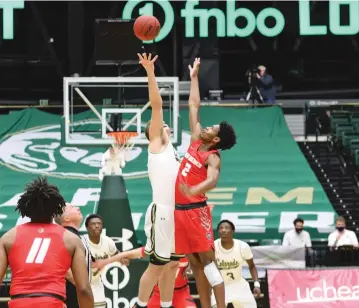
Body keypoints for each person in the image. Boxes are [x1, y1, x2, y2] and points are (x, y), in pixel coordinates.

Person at [175, 58, 237, 308]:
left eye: (212, 127)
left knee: (209, 263)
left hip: (195, 211)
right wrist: (193, 78)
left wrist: (193, 189)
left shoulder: (212, 156)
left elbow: (213, 180)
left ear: (216, 139)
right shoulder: (195, 141)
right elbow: (193, 105)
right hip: (180, 212)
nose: (207, 126)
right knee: (195, 264)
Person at [133, 53, 182, 308]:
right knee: (157, 264)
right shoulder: (156, 144)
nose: (164, 125)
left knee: (172, 265)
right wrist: (150, 72)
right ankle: (139, 305)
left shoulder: (173, 151)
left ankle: (165, 306)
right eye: (160, 125)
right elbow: (157, 104)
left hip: (179, 213)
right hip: (162, 212)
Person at [0, 177, 94, 308]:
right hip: (53, 302)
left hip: (19, 302)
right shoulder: (71, 239)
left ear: (26, 207)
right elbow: (84, 289)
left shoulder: (8, 237)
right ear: (56, 208)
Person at [93, 248, 196, 308]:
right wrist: (103, 262)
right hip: (158, 294)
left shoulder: (186, 247)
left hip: (180, 292)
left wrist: (191, 265)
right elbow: (128, 254)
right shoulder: (157, 246)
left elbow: (201, 261)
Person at [212, 220, 260, 308]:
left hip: (239, 285)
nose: (223, 230)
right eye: (221, 228)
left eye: (227, 228)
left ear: (233, 231)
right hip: (220, 286)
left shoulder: (242, 246)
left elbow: (252, 266)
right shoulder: (213, 247)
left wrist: (256, 284)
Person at [54, 202, 93, 308]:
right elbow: (62, 266)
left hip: (77, 295)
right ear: (66, 218)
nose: (78, 207)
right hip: (68, 296)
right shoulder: (65, 236)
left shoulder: (76, 236)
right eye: (72, 207)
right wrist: (82, 286)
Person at [83, 214, 119, 308]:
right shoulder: (81, 242)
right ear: (87, 227)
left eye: (99, 223)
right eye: (93, 224)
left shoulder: (108, 242)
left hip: (96, 281)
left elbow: (120, 257)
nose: (97, 225)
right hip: (80, 282)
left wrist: (124, 259)